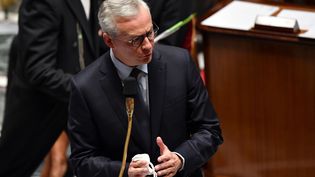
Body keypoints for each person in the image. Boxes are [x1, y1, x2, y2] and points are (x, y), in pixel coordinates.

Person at [68, 0, 223, 177]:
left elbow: (210, 130)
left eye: (149, 33)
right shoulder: (85, 87)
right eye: (135, 40)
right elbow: (81, 160)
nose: (148, 45)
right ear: (109, 40)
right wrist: (125, 171)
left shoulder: (180, 63)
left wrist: (181, 158)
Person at [0, 0, 106, 176]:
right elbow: (38, 69)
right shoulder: (44, 3)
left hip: (74, 104)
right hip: (40, 107)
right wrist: (89, 90)